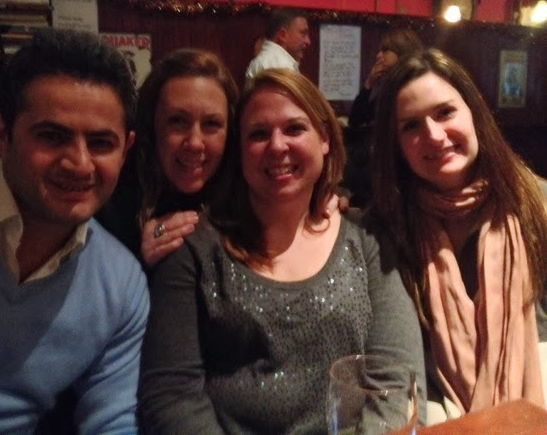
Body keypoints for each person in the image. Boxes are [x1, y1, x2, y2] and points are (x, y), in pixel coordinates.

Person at [138, 68, 426, 433]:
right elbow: (172, 397)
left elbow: (397, 381)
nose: (277, 146)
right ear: (240, 152)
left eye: (294, 128)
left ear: (325, 139)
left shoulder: (367, 238)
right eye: (258, 134)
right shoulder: (193, 249)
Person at [0, 30, 149, 434]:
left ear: (126, 149)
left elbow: (112, 422)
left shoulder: (121, 284)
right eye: (52, 136)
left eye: (101, 143)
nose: (79, 163)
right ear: (2, 134)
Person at [370, 48, 547, 423]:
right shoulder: (385, 227)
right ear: (397, 145)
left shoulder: (537, 204)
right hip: (437, 414)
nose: (434, 135)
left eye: (445, 112)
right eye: (411, 126)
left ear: (474, 113)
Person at [96, 48, 239, 268]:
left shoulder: (244, 198)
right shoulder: (110, 200)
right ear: (151, 126)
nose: (194, 142)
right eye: (178, 121)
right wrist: (136, 258)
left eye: (211, 124)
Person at [343, 27, 423, 208]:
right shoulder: (389, 89)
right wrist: (369, 83)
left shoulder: (409, 90)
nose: (379, 56)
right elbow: (356, 119)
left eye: (386, 50)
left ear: (402, 54)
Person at [244, 8, 311, 80]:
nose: (308, 41)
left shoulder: (271, 61)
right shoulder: (278, 66)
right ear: (283, 35)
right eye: (303, 34)